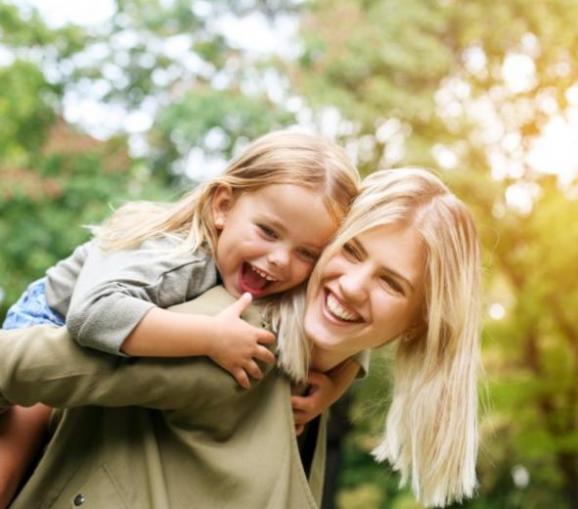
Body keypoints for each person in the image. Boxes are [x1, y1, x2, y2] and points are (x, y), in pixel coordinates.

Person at [0, 168, 481, 508]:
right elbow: (16, 362)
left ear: (417, 324)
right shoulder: (233, 342)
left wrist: (343, 375)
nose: (353, 285)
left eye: (390, 283)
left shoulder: (316, 377)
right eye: (351, 252)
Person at [0, 130, 363, 506]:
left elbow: (351, 329)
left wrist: (334, 386)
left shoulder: (273, 274)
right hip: (51, 316)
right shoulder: (175, 258)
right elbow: (93, 314)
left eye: (307, 253)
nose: (280, 259)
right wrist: (210, 337)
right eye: (268, 231)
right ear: (223, 206)